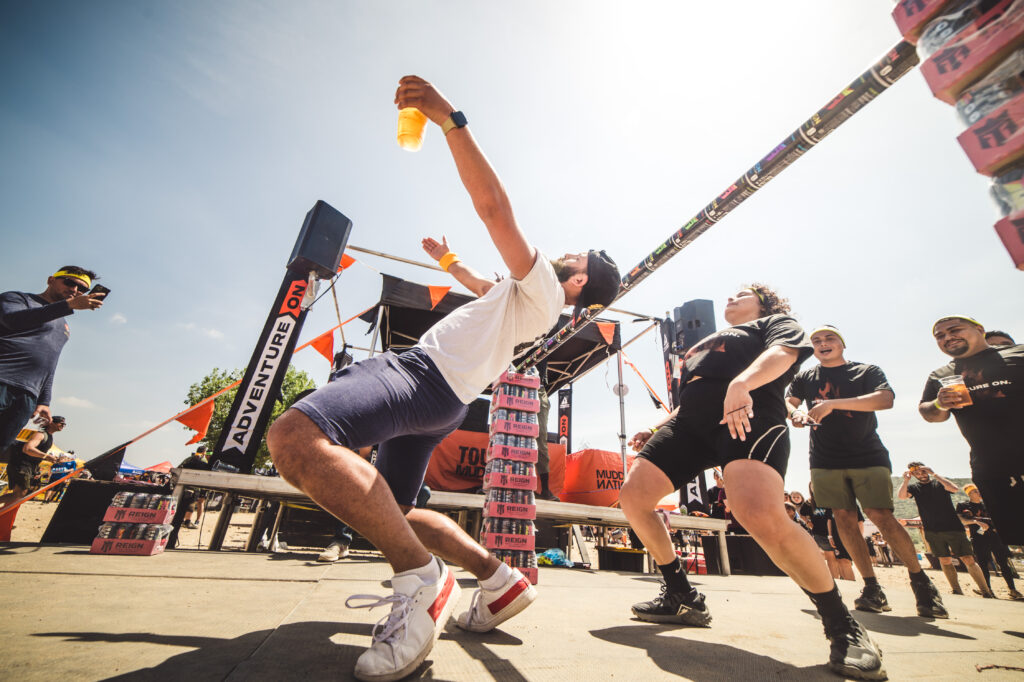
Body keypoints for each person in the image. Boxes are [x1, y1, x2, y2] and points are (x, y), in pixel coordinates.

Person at [266, 75, 620, 682]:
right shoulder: (525, 297)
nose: (568, 252)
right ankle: (499, 579)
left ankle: (420, 580)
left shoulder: (542, 288)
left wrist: (448, 118)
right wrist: (448, 263)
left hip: (421, 378)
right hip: (446, 402)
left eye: (578, 257)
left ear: (580, 280)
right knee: (399, 508)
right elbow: (486, 288)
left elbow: (494, 209)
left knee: (295, 437)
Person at [620, 285, 885, 680]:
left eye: (742, 294)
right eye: (730, 294)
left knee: (756, 513)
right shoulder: (698, 347)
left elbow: (784, 355)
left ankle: (842, 623)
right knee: (634, 498)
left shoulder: (775, 324)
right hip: (689, 427)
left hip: (747, 415)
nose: (730, 297)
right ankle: (681, 595)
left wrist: (741, 384)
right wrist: (655, 425)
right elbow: (691, 397)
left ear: (764, 304)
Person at [788, 324, 945, 617]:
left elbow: (885, 399)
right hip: (824, 458)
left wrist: (832, 404)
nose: (823, 343)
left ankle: (921, 583)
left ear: (842, 344)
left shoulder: (866, 371)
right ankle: (871, 587)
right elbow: (790, 400)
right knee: (844, 519)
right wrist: (795, 413)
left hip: (866, 453)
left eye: (829, 338)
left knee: (880, 515)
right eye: (817, 340)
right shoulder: (805, 377)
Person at [919, 315, 1024, 546]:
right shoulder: (941, 375)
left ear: (979, 329)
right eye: (940, 336)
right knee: (1018, 536)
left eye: (955, 330)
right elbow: (928, 413)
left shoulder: (1018, 354)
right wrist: (939, 404)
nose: (948, 337)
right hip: (992, 469)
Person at [0, 267, 104, 449]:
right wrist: (68, 306)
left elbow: (50, 364)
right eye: (70, 282)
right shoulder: (18, 299)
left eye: (82, 289)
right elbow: (11, 319)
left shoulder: (63, 326)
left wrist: (44, 401)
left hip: (27, 395)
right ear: (51, 280)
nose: (74, 290)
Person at [897, 463, 992, 598]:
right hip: (932, 530)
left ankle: (985, 591)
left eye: (923, 471)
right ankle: (956, 590)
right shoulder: (914, 488)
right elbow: (901, 496)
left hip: (953, 528)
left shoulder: (939, 483)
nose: (922, 475)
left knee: (968, 559)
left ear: (927, 471)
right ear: (914, 475)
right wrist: (906, 480)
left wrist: (934, 474)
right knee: (944, 560)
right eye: (917, 473)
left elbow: (954, 488)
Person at [956, 483, 1024, 600]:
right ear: (970, 493)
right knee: (983, 564)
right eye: (975, 491)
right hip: (978, 538)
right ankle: (987, 590)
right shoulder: (963, 505)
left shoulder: (988, 504)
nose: (979, 492)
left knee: (1003, 563)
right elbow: (962, 520)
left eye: (979, 490)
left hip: (995, 537)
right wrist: (976, 522)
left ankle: (1012, 589)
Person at [0, 415, 66, 509]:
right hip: (22, 465)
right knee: (19, 494)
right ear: (51, 422)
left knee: (18, 495)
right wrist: (46, 456)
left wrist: (50, 458)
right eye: (61, 423)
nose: (63, 425)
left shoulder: (49, 437)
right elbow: (27, 448)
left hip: (25, 466)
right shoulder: (41, 434)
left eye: (64, 424)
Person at [178, 445, 211, 529]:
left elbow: (179, 467)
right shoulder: (203, 460)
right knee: (191, 502)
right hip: (194, 485)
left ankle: (180, 520)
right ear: (204, 452)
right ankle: (187, 521)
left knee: (181, 502)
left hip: (183, 484)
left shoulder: (189, 458)